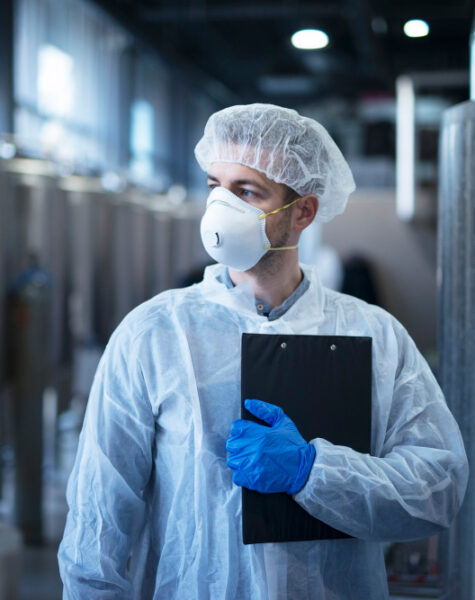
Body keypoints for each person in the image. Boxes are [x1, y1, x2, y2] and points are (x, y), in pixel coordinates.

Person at [58, 104, 468, 599]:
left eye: (247, 191)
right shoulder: (154, 334)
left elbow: (438, 488)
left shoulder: (374, 335)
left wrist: (313, 471)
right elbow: (97, 519)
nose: (221, 208)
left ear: (303, 212)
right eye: (215, 186)